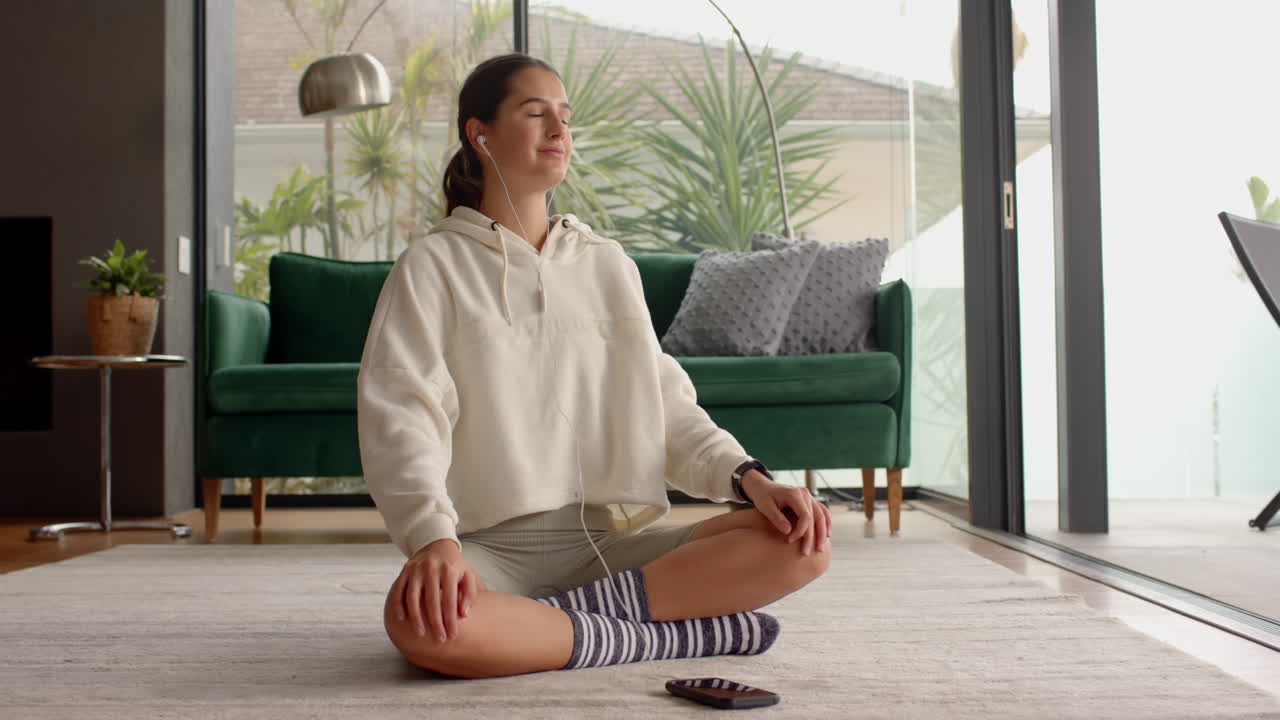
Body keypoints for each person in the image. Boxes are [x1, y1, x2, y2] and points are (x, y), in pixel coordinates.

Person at [357, 52, 831, 680]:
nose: (559, 131)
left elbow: (664, 402)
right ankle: (669, 634)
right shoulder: (432, 266)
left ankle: (558, 628)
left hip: (613, 547)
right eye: (535, 114)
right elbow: (403, 411)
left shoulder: (607, 263)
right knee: (415, 622)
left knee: (801, 545)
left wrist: (752, 480)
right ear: (480, 134)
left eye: (565, 116)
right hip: (490, 549)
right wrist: (432, 541)